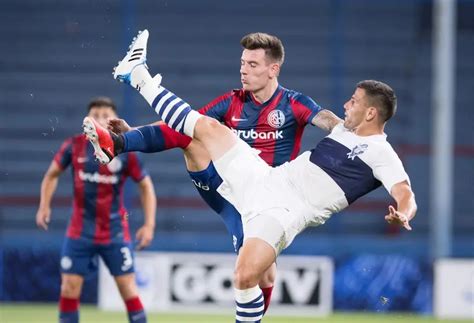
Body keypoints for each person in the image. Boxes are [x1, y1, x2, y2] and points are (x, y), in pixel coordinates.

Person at [102, 29, 418, 322]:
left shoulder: (381, 152)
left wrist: (403, 212)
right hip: (266, 178)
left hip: (284, 211)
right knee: (207, 127)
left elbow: (405, 192)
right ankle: (138, 76)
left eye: (354, 101)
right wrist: (131, 137)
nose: (347, 104)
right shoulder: (342, 128)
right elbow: (331, 119)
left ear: (371, 113)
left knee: (245, 276)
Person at [85, 31, 341, 314]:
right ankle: (117, 144)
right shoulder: (231, 102)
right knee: (193, 134)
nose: (243, 69)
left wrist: (348, 131)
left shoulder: (293, 103)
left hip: (267, 203)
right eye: (242, 62)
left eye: (252, 64)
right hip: (225, 190)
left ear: (273, 69)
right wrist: (133, 135)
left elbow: (326, 118)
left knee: (263, 275)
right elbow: (182, 123)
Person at [36, 97, 156, 323]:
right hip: (79, 232)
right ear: (87, 120)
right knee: (69, 289)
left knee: (128, 289)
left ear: (113, 120)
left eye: (105, 114)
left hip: (115, 232)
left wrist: (149, 224)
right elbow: (51, 175)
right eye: (95, 114)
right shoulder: (74, 145)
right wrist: (44, 205)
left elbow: (146, 186)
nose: (100, 118)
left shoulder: (125, 150)